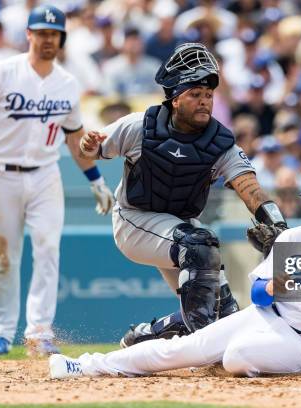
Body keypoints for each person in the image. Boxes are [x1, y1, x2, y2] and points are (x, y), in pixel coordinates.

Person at [47, 165, 301, 379]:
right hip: (265, 318)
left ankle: (251, 364)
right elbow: (259, 296)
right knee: (181, 349)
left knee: (235, 357)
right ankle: (86, 365)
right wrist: (277, 284)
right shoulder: (294, 239)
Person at [77, 43, 289, 348]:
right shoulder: (141, 125)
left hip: (181, 227)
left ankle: (145, 336)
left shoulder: (220, 142)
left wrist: (278, 227)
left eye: (208, 95)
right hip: (135, 220)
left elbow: (250, 188)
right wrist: (88, 145)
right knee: (202, 245)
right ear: (176, 99)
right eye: (195, 95)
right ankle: (202, 348)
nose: (204, 102)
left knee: (227, 316)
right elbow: (94, 149)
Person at [0, 5, 114, 356]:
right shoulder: (2, 72)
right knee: (5, 255)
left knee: (47, 249)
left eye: (54, 34)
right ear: (29, 34)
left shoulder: (68, 84)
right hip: (1, 173)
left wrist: (95, 179)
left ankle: (39, 332)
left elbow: (74, 137)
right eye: (41, 33)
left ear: (61, 40)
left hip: (45, 174)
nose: (47, 39)